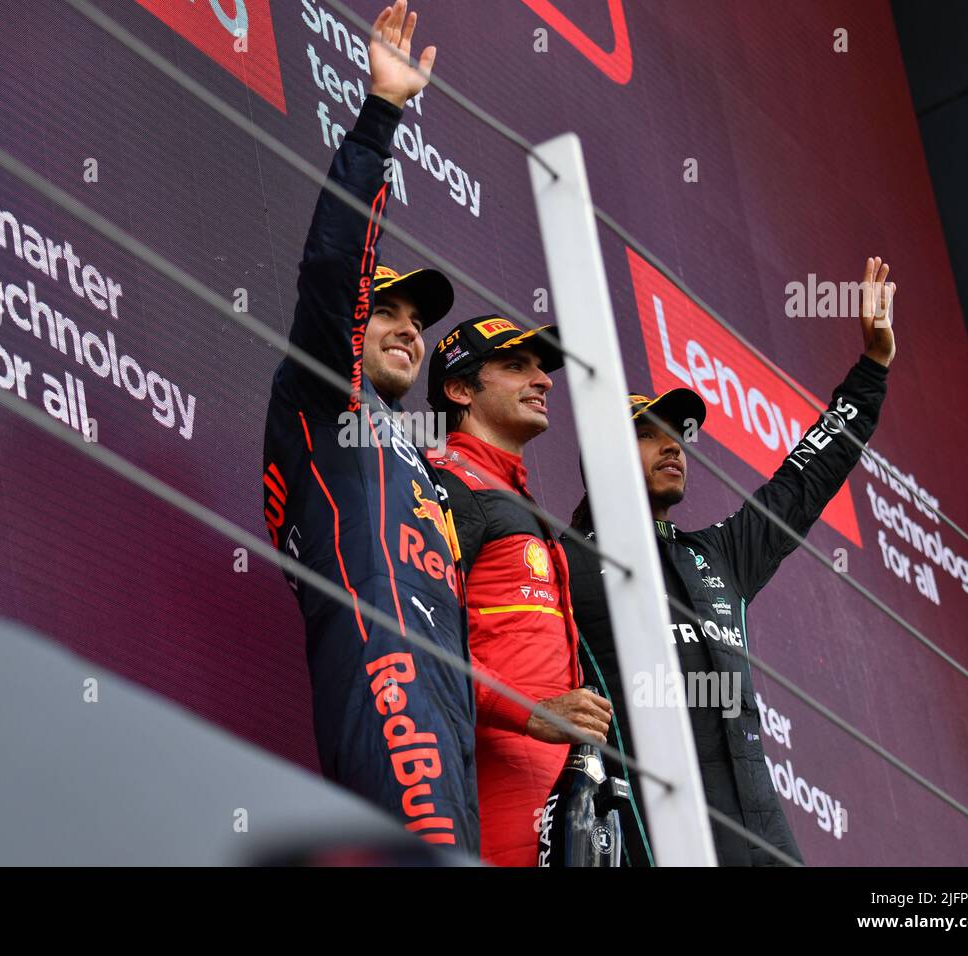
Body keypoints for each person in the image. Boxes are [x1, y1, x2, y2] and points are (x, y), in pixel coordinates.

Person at [562, 257, 897, 865]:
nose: (674, 447)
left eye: (679, 435)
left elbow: (804, 480)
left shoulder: (716, 554)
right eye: (649, 433)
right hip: (652, 834)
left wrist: (871, 368)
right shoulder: (560, 563)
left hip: (762, 831)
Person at [262, 2, 480, 854]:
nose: (406, 328)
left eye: (416, 319)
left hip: (449, 707)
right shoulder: (325, 393)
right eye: (383, 309)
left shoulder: (421, 462)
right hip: (381, 677)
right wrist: (382, 114)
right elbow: (330, 267)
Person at [427, 316, 615, 866]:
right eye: (515, 366)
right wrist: (528, 710)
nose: (544, 380)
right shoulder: (448, 481)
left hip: (558, 795)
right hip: (491, 789)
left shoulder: (512, 497)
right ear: (460, 390)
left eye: (541, 367)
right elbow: (413, 627)